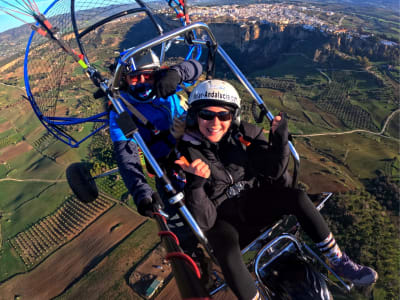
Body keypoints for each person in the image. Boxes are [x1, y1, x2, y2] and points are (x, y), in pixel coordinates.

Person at [175, 79, 378, 300]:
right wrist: (195, 184)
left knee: (298, 197)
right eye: (206, 114)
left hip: (254, 203)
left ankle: (339, 261)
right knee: (228, 252)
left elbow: (273, 171)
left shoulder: (245, 135)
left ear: (233, 117)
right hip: (220, 219)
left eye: (223, 115)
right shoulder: (183, 154)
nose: (215, 122)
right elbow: (203, 222)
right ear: (195, 116)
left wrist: (279, 140)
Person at [109, 49, 202, 224]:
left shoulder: (165, 84)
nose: (143, 82)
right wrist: (141, 192)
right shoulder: (120, 111)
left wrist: (177, 73)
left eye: (148, 76)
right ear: (125, 79)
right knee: (180, 218)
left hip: (194, 147)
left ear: (156, 75)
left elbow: (196, 67)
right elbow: (127, 155)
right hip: (166, 167)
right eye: (136, 77)